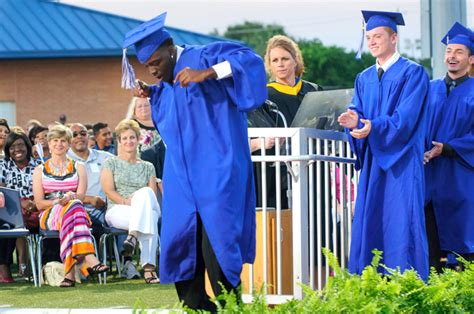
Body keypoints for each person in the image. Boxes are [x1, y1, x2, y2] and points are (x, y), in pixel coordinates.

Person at [122, 12, 266, 311]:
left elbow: (251, 61)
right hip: (182, 177)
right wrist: (153, 93)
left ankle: (231, 306)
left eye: (156, 63)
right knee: (180, 240)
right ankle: (197, 307)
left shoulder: (205, 54)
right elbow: (174, 122)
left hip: (217, 169)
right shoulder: (167, 82)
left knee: (218, 243)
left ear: (170, 47)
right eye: (147, 67)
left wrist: (208, 73)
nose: (153, 70)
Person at [337, 11, 429, 280]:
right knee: (371, 221)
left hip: (401, 163)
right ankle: (371, 288)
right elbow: (357, 112)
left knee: (401, 222)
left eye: (378, 36)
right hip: (374, 162)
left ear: (394, 37)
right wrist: (353, 121)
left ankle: (406, 287)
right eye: (369, 38)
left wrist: (372, 126)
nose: (373, 42)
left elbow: (406, 120)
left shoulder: (413, 74)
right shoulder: (363, 78)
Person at [248, 34, 323, 209]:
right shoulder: (263, 97)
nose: (280, 64)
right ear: (269, 65)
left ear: (295, 60)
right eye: (274, 60)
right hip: (278, 176)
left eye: (285, 58)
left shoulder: (313, 91)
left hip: (313, 170)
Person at [424, 22, 474, 271]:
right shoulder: (428, 89)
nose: (452, 56)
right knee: (428, 245)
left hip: (461, 179)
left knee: (462, 247)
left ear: (471, 58)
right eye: (448, 51)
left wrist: (448, 148)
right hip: (428, 178)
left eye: (459, 52)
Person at [32, 124, 108, 287]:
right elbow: (39, 203)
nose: (59, 144)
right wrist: (57, 202)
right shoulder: (39, 170)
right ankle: (89, 257)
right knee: (75, 208)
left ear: (68, 144)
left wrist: (71, 197)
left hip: (73, 211)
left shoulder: (79, 167)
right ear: (49, 143)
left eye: (63, 141)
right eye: (55, 140)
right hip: (49, 212)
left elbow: (80, 195)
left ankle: (69, 275)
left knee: (74, 206)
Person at [100, 119, 160, 284]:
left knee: (146, 195)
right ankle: (149, 269)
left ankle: (132, 236)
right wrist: (127, 202)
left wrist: (137, 200)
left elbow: (152, 196)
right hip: (117, 209)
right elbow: (108, 190)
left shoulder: (148, 166)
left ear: (138, 139)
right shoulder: (110, 162)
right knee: (150, 219)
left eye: (132, 137)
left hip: (142, 207)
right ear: (119, 141)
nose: (128, 141)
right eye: (124, 138)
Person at [0, 132, 41, 279]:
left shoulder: (38, 165)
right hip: (12, 207)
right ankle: (19, 265)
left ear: (27, 147)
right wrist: (20, 202)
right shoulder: (3, 165)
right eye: (12, 147)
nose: (17, 149)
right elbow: (1, 190)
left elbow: (47, 188)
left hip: (38, 205)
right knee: (14, 219)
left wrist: (36, 203)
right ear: (8, 150)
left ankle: (46, 265)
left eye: (20, 145)